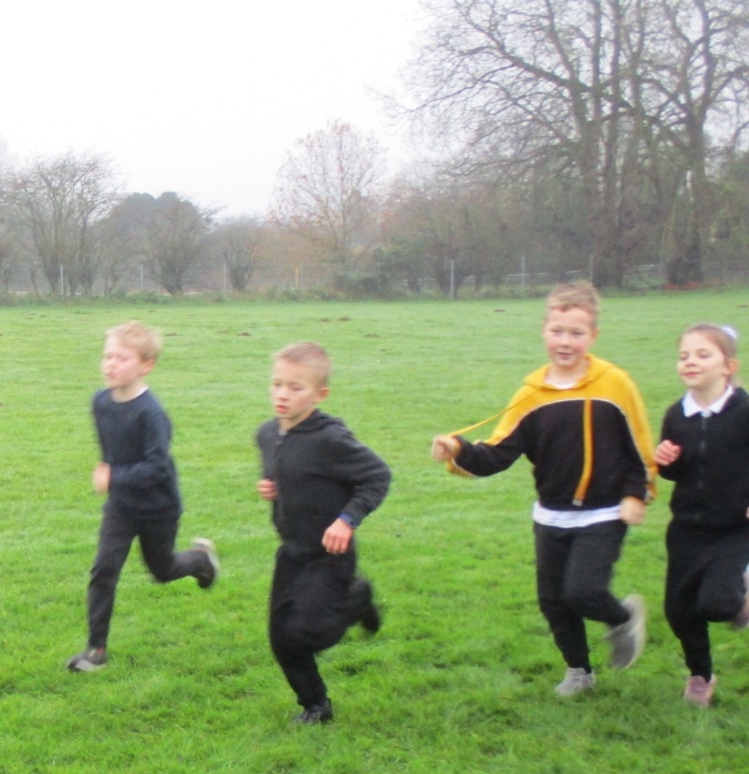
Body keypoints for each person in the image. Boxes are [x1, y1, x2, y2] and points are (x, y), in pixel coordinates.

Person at [432, 282, 655, 696]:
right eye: (557, 331)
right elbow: (496, 453)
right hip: (551, 516)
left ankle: (623, 618)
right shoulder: (531, 395)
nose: (565, 341)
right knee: (553, 601)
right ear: (543, 331)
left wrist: (637, 493)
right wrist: (457, 450)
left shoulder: (615, 385)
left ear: (593, 336)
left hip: (606, 512)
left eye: (576, 333)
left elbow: (639, 444)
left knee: (583, 591)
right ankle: (579, 672)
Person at [67, 320, 218, 672]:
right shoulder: (100, 402)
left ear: (146, 366)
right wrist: (111, 472)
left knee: (162, 571)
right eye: (107, 356)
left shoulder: (151, 413)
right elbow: (111, 447)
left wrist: (114, 476)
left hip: (158, 508)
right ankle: (96, 650)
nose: (110, 364)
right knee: (104, 570)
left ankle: (200, 560)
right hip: (121, 506)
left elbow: (157, 468)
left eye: (121, 358)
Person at [256, 341, 390, 724]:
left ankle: (357, 599)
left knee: (306, 633)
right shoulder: (267, 434)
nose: (282, 394)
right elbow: (283, 469)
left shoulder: (330, 440)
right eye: (277, 384)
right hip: (292, 552)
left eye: (295, 387)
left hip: (330, 556)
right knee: (281, 638)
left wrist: (347, 519)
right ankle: (316, 706)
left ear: (320, 394)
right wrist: (272, 486)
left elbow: (377, 476)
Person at [654, 323, 749, 707]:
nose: (690, 362)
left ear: (728, 366)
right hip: (686, 529)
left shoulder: (744, 412)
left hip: (735, 528)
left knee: (716, 603)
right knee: (678, 611)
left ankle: (742, 591)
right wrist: (666, 461)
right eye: (684, 356)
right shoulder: (676, 415)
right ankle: (701, 675)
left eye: (702, 354)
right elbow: (674, 471)